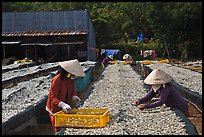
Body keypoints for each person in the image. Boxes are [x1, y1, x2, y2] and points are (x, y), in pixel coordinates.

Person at [45, 59, 85, 134]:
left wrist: (74, 97)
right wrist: (62, 104)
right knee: (58, 127)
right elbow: (53, 98)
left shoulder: (71, 79)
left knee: (65, 124)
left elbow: (73, 91)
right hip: (54, 108)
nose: (74, 76)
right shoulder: (56, 80)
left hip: (65, 106)